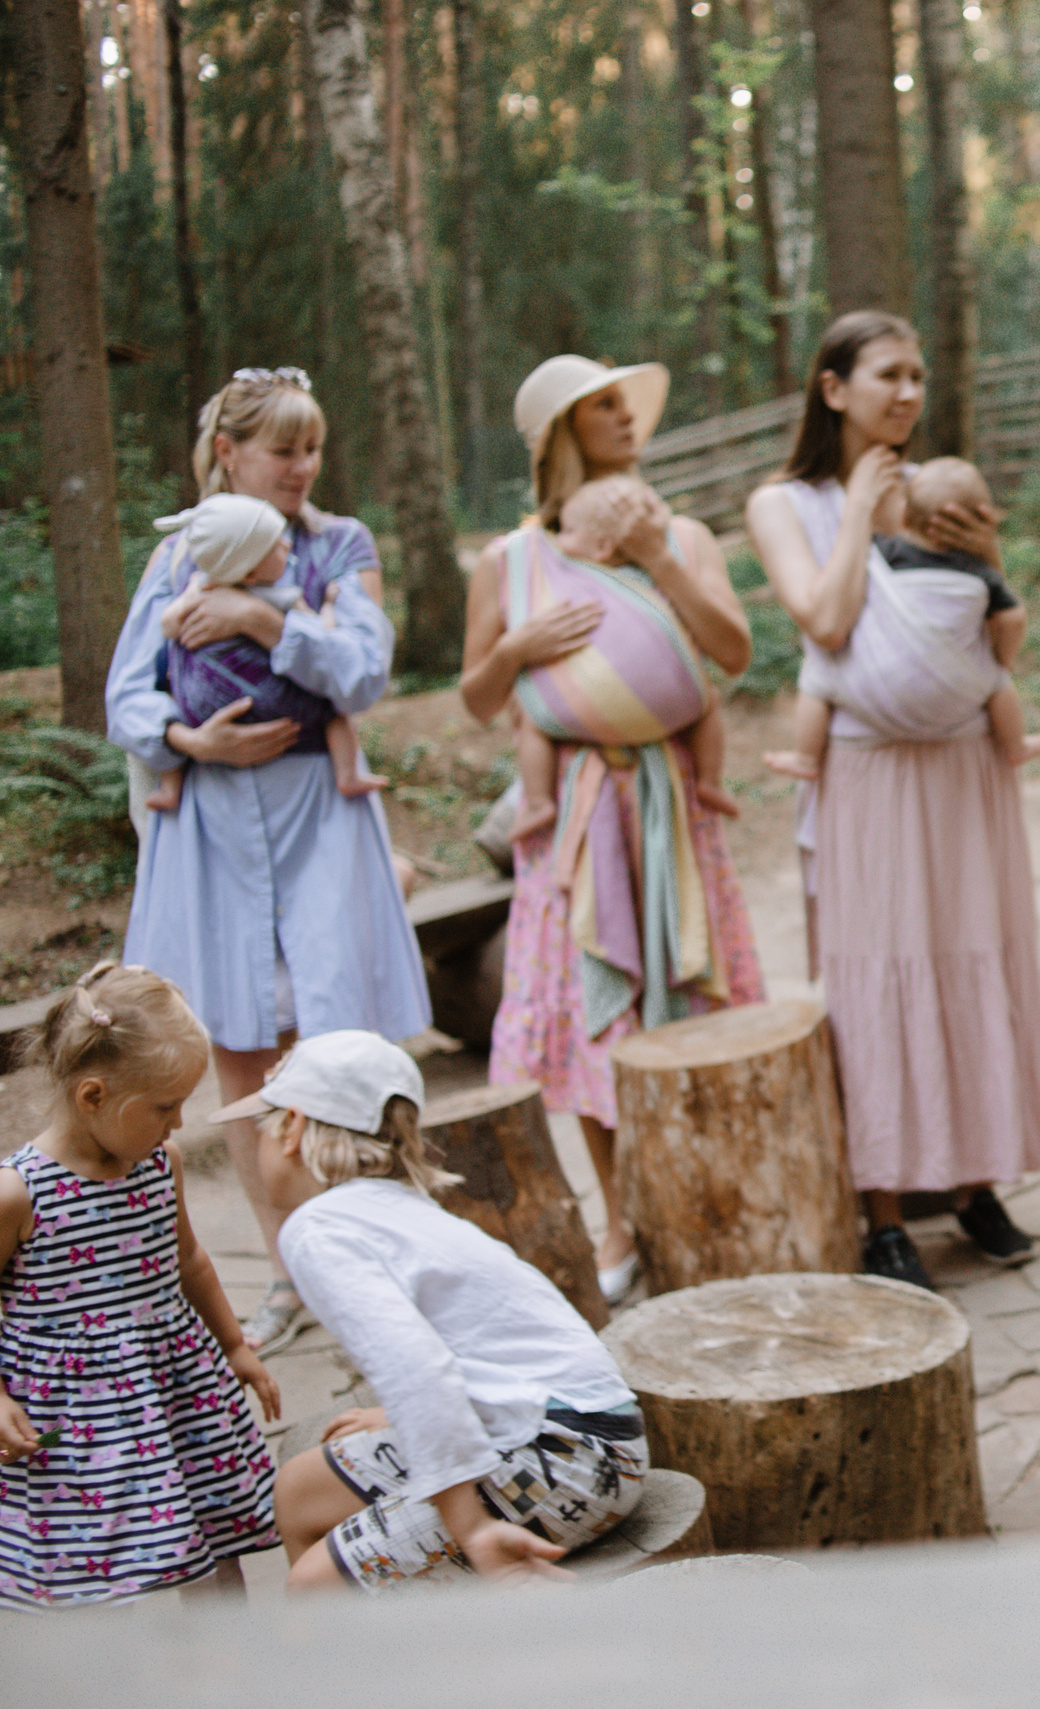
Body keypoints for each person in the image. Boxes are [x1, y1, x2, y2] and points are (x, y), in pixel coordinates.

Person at [107, 366, 431, 1354]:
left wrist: (263, 619)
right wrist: (189, 741)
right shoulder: (175, 559)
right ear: (230, 454)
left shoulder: (341, 547)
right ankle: (289, 1270)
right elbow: (128, 693)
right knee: (243, 1053)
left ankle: (382, 1263)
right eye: (283, 448)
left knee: (338, 1044)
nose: (302, 465)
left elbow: (364, 671)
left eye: (313, 447)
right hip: (210, 821)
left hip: (317, 815)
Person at [745, 312, 1040, 1291]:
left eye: (919, 374)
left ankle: (973, 1179)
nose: (910, 393)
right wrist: (857, 520)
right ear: (834, 387)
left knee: (976, 956)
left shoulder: (942, 492)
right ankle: (882, 1206)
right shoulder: (782, 502)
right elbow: (827, 618)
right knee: (874, 973)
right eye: (889, 374)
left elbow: (1001, 640)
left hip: (965, 764)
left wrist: (988, 557)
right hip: (867, 771)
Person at [468, 355, 765, 1304]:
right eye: (602, 405)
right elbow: (478, 700)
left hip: (674, 803)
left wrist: (658, 561)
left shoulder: (678, 531)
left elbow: (734, 655)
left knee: (691, 999)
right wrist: (515, 649)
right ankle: (622, 1213)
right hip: (577, 821)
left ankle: (709, 1197)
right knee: (596, 1013)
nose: (626, 416)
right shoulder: (508, 562)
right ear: (559, 431)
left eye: (627, 402)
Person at [244, 1031, 645, 1592]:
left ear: (292, 1127)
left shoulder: (317, 1229)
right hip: (573, 1426)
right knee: (299, 1489)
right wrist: (399, 1418)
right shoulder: (394, 1209)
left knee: (313, 1587)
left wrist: (472, 1529)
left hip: (568, 1456)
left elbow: (415, 1367)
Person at [0, 965, 281, 1608]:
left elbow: (190, 1261)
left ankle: (235, 1660)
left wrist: (234, 1345)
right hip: (76, 1419)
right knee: (97, 1554)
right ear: (92, 1096)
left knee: (208, 1530)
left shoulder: (161, 1163)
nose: (179, 1123)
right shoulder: (18, 1193)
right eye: (164, 1107)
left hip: (174, 1389)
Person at [765, 456, 1040, 781]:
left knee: (817, 676)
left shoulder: (880, 554)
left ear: (905, 511)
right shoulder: (980, 572)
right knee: (1000, 684)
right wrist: (1004, 659)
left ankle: (805, 757)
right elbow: (1012, 619)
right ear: (979, 516)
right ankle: (1016, 745)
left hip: (873, 695)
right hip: (961, 694)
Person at [507, 473, 736, 844]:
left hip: (582, 711)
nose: (558, 543)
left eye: (566, 532)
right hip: (678, 705)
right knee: (709, 700)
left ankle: (537, 801)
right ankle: (710, 780)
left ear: (601, 548)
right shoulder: (652, 577)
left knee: (529, 714)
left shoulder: (570, 581)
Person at [145, 494, 381, 813]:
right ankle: (348, 774)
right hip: (279, 711)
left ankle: (170, 785)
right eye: (276, 545)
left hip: (206, 717)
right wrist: (327, 608)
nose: (287, 546)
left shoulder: (198, 587)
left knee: (168, 690)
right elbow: (320, 635)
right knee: (333, 711)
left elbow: (168, 623)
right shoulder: (282, 594)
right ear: (250, 573)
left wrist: (180, 628)